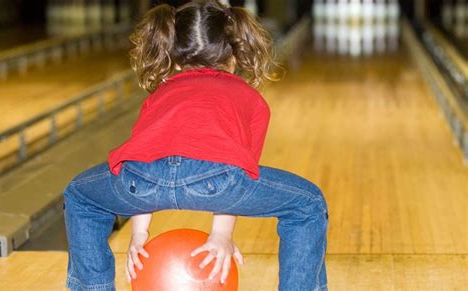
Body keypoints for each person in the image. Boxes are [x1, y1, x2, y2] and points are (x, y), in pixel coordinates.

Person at [62, 1, 329, 290]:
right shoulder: (250, 99)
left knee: (80, 196)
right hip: (216, 181)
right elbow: (240, 168)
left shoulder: (161, 92)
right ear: (235, 55)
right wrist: (220, 235)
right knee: (307, 203)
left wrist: (139, 234)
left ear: (175, 60)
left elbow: (141, 151)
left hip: (139, 182)